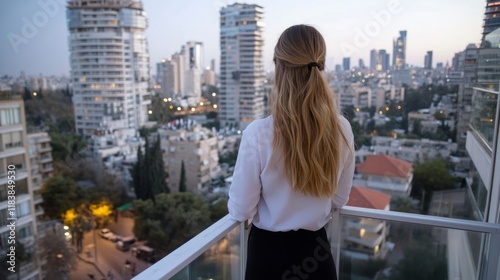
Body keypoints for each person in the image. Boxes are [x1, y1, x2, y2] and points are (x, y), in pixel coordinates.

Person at [227, 24, 355, 280]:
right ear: (322, 65)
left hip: (268, 260)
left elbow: (240, 210)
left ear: (279, 68)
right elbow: (340, 200)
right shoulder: (341, 129)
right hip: (317, 258)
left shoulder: (259, 134)